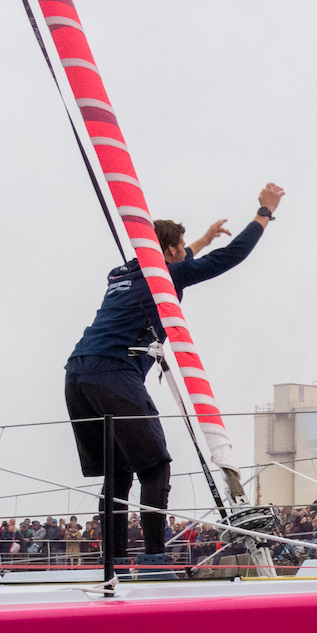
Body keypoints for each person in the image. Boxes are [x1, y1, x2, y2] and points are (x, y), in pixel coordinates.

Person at [64, 183, 283, 565]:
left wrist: (200, 238)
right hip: (113, 372)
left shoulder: (120, 273)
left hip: (77, 375)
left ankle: (111, 562)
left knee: (117, 475)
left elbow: (174, 265)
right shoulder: (163, 276)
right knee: (155, 467)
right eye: (180, 249)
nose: (184, 255)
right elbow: (229, 257)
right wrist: (263, 214)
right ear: (167, 251)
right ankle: (154, 560)